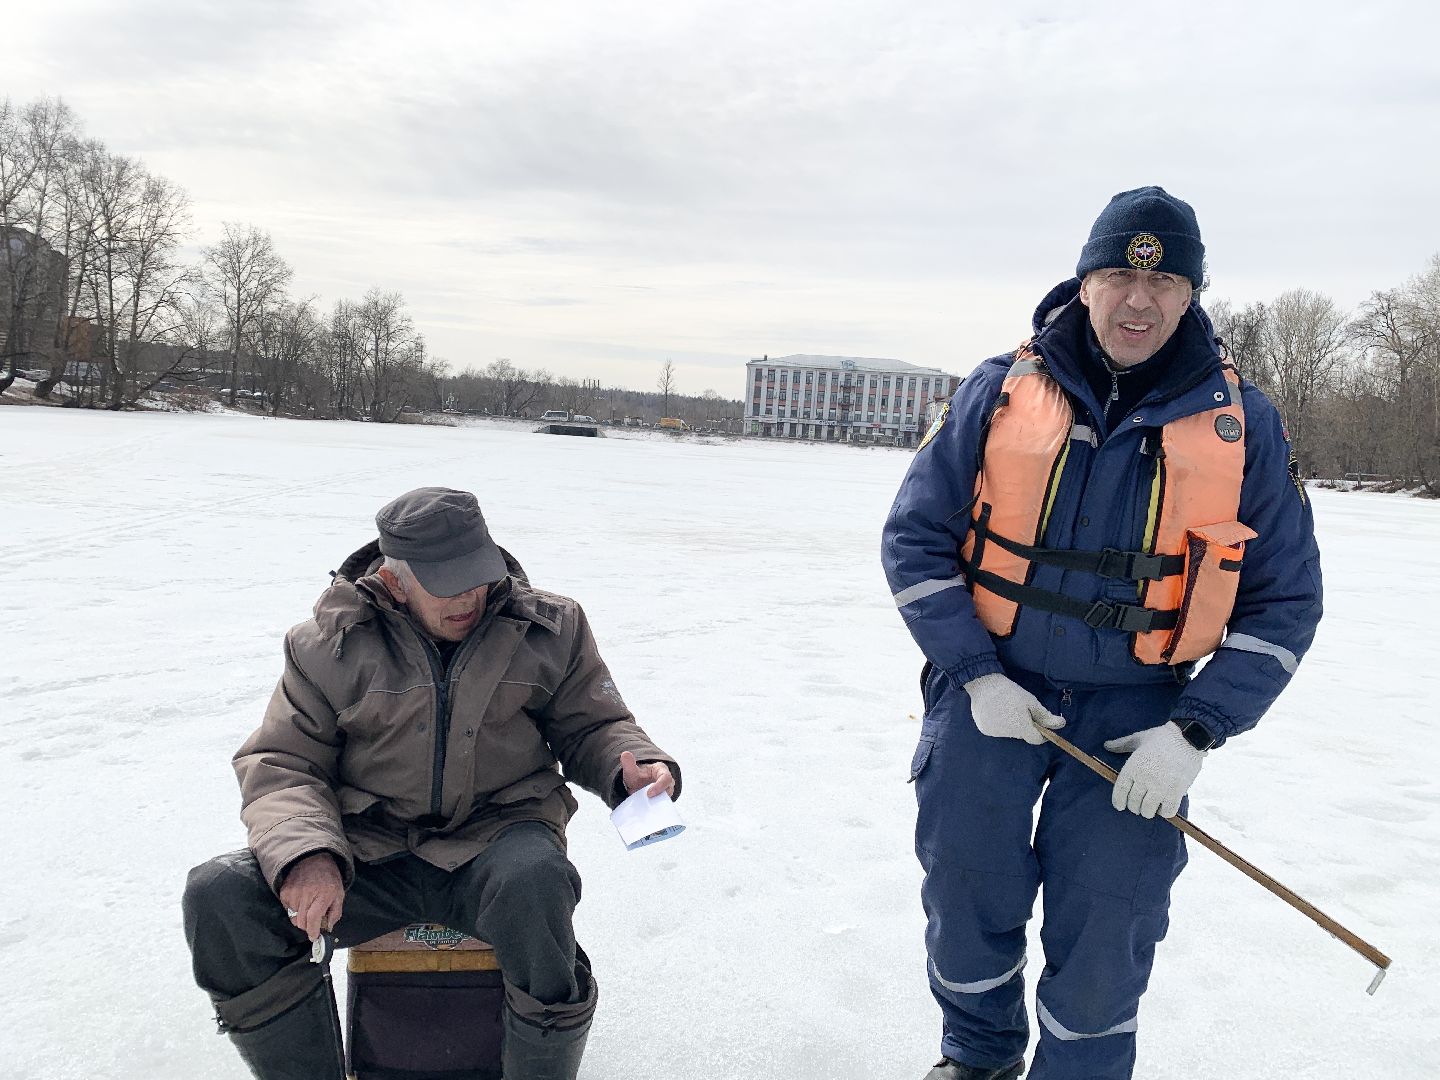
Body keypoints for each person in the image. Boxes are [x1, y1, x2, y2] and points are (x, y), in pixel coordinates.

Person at [882, 186, 1321, 1080]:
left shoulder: (1247, 427)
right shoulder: (996, 390)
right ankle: (977, 1055)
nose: (1139, 299)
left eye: (1164, 284)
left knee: (1109, 921)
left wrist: (1197, 729)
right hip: (993, 692)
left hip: (1141, 718)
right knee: (965, 886)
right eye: (1119, 273)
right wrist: (972, 671)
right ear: (1084, 283)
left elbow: (1284, 603)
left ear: (1191, 295)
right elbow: (915, 537)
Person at [183, 486, 680, 1080]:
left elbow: (595, 724)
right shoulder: (326, 646)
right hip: (366, 857)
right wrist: (306, 856)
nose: (470, 596)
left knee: (537, 884)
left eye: (477, 575)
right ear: (395, 580)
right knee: (221, 895)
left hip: (498, 843)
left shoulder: (551, 628)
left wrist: (634, 765)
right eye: (446, 582)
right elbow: (284, 764)